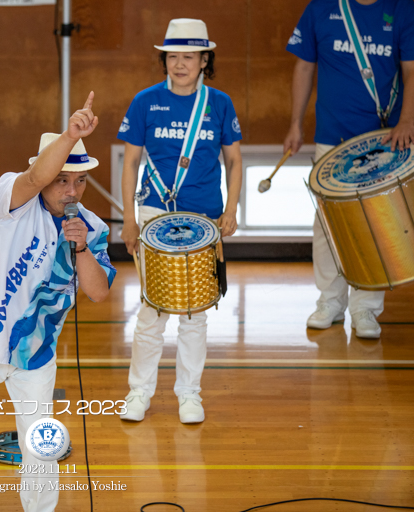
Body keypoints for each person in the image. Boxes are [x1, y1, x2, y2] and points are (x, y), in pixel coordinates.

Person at [0, 93, 116, 512]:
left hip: (36, 350)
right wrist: (71, 134)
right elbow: (33, 178)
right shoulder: (11, 195)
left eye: (79, 181)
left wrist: (82, 248)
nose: (71, 190)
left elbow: (99, 292)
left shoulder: (91, 227)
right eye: (61, 179)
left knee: (40, 442)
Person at [116, 19, 243, 424]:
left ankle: (190, 395)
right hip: (154, 215)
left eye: (189, 56)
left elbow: (235, 161)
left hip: (203, 219)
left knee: (194, 312)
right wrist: (129, 219)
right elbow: (130, 162)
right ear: (164, 59)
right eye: (173, 56)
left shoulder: (219, 104)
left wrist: (232, 209)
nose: (180, 64)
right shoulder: (145, 101)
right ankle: (139, 393)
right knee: (152, 310)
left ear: (205, 59)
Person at [283, 0, 414, 339]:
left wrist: (407, 121)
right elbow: (303, 67)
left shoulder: (403, 8)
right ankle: (330, 302)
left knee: (377, 222)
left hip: (383, 138)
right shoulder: (321, 8)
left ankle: (366, 309)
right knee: (327, 224)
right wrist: (295, 124)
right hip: (332, 137)